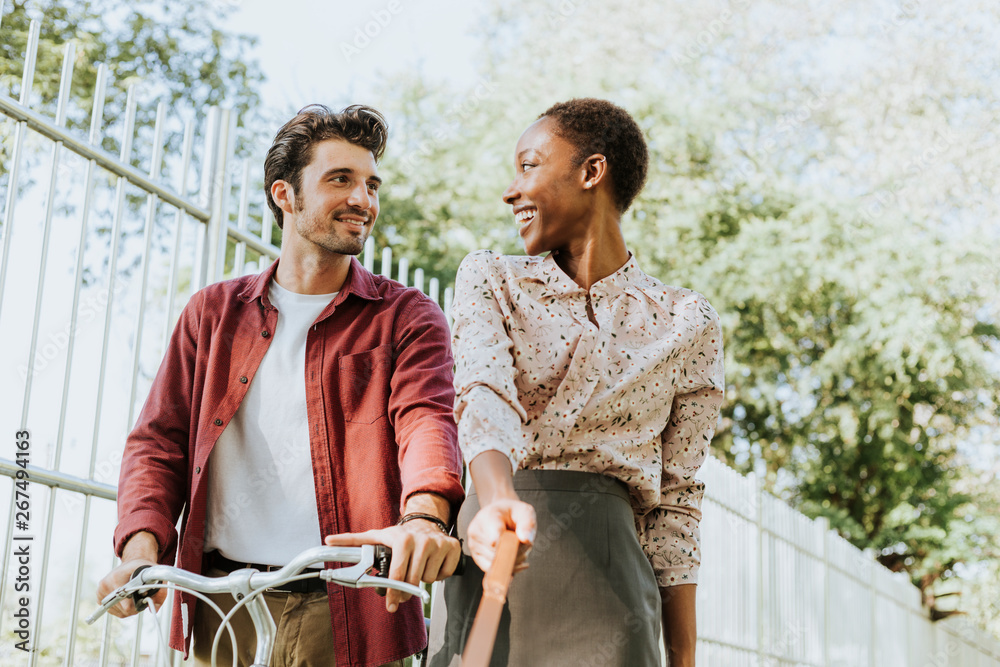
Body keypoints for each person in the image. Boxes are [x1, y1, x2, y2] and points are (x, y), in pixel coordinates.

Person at [97, 104, 465, 667]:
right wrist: (140, 549)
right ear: (284, 195)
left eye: (371, 184)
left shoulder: (406, 316)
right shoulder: (214, 314)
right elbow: (159, 441)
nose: (363, 200)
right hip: (223, 608)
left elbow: (426, 420)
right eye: (339, 179)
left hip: (353, 606)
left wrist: (423, 518)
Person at [427, 98, 724, 667]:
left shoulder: (686, 321)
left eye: (528, 166)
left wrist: (683, 658)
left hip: (612, 582)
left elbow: (678, 499)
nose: (511, 191)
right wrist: (497, 500)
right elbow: (483, 394)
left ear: (591, 172)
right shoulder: (490, 277)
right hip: (495, 549)